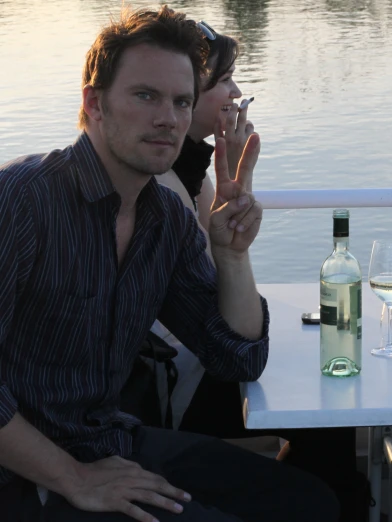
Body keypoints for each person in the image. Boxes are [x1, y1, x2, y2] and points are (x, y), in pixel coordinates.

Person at [0, 6, 339, 522]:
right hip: (26, 470)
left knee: (308, 504)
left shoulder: (166, 218)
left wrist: (231, 255)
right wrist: (75, 478)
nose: (169, 118)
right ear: (94, 103)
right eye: (145, 96)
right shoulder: (23, 200)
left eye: (182, 101)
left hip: (108, 441)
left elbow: (236, 360)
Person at [147, 21, 369, 522]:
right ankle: (331, 502)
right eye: (224, 81)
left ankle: (328, 497)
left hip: (199, 354)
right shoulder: (160, 184)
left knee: (321, 394)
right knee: (323, 403)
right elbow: (209, 299)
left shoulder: (191, 175)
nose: (237, 93)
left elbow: (220, 277)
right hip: (174, 381)